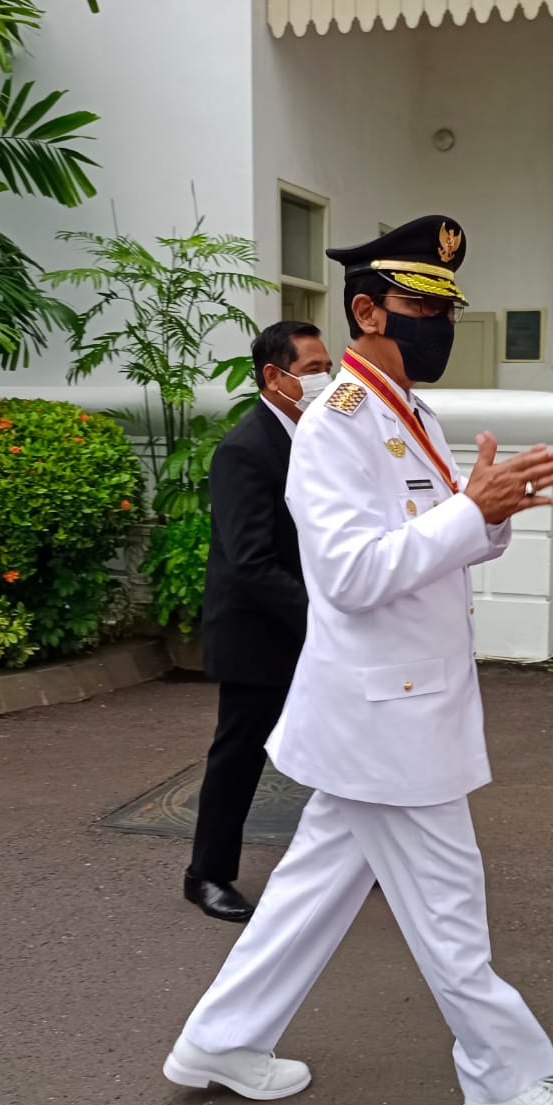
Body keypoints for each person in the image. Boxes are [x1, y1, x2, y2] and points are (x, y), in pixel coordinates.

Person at [162, 215, 553, 1105]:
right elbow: (351, 574)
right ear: (368, 312)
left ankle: (219, 1040)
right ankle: (503, 1083)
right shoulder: (335, 423)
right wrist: (467, 513)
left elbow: (437, 545)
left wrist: (489, 514)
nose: (440, 324)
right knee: (450, 913)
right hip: (384, 715)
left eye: (447, 308)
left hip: (399, 701)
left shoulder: (412, 414)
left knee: (310, 890)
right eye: (422, 307)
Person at [183, 322, 332, 923]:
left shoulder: (318, 435)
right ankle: (207, 875)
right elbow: (249, 563)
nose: (327, 379)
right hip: (259, 633)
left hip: (313, 624)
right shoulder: (244, 449)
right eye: (314, 368)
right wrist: (321, 617)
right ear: (275, 376)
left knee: (343, 744)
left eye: (328, 366)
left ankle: (357, 860)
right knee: (240, 755)